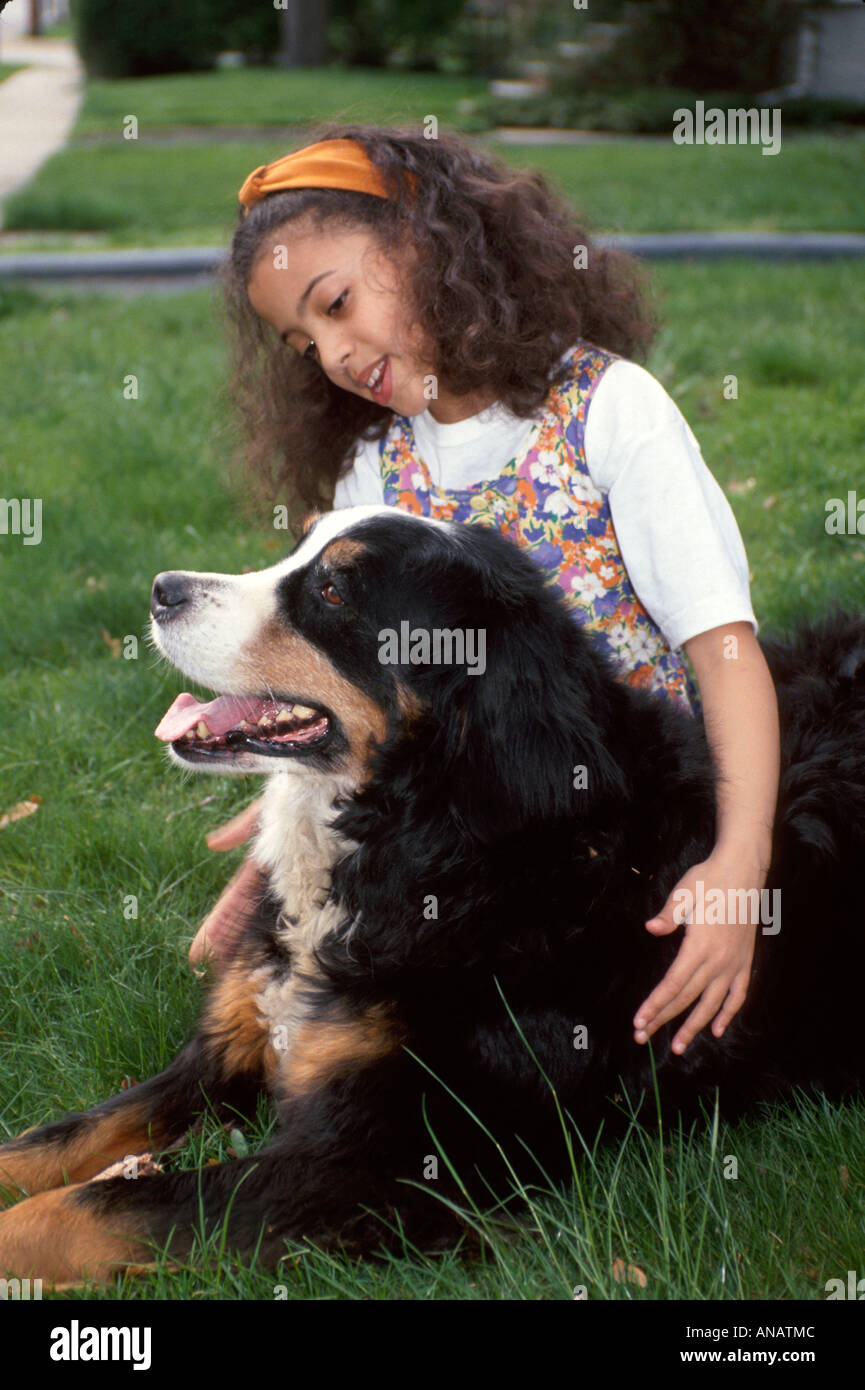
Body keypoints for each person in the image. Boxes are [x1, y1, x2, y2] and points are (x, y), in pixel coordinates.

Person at [192, 126, 780, 1057]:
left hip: (620, 817)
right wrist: (283, 860)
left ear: (429, 238)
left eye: (338, 304)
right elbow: (355, 704)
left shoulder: (607, 411)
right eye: (305, 343)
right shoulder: (374, 471)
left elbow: (726, 653)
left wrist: (738, 867)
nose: (336, 354)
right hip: (461, 827)